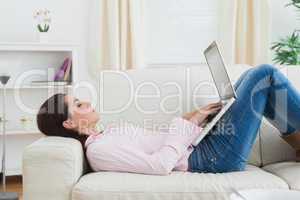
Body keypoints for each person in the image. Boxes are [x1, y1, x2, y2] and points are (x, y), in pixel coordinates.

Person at [36, 64, 300, 175]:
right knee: (264, 75)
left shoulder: (106, 134)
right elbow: (160, 165)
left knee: (248, 79)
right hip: (211, 158)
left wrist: (193, 118)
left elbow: (160, 138)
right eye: (80, 105)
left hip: (202, 144)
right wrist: (181, 125)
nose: (88, 103)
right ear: (69, 123)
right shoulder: (100, 150)